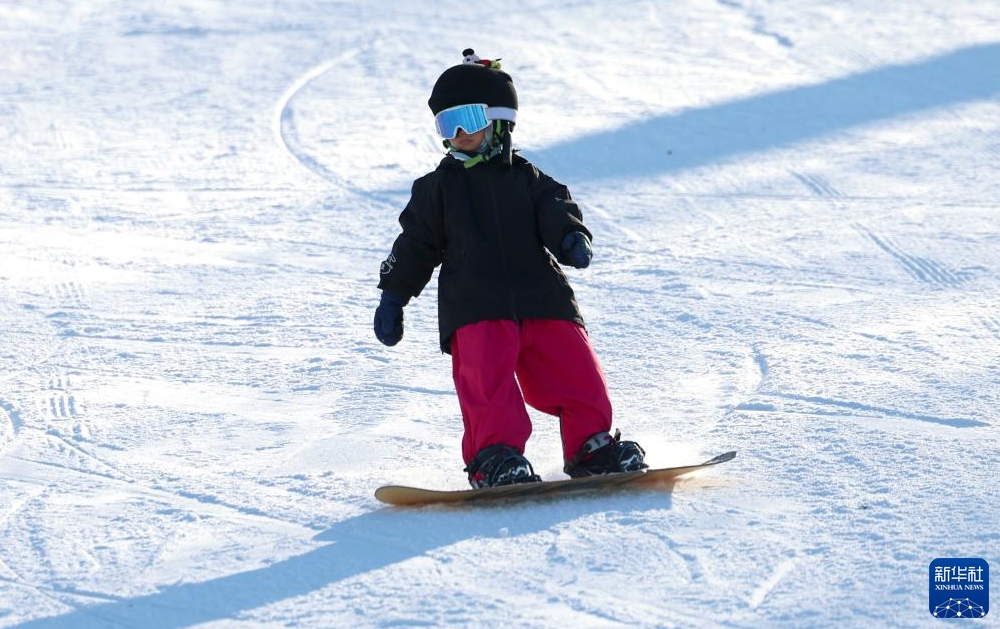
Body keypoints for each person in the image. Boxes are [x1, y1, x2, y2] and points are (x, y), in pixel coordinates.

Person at [374, 49, 646, 488]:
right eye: (448, 124)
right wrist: (394, 294)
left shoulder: (527, 178)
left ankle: (591, 445)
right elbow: (415, 244)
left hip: (543, 296)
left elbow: (556, 208)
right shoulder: (436, 190)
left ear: (499, 120)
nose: (459, 134)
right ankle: (494, 455)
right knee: (487, 384)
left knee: (576, 371)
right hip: (476, 304)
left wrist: (571, 238)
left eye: (467, 119)